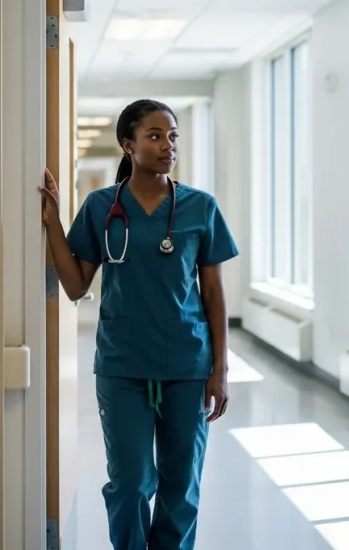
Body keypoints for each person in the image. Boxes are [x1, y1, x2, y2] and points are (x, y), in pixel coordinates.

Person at [38, 99, 238, 550]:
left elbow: (213, 295)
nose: (168, 145)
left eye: (173, 136)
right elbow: (74, 286)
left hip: (187, 364)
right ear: (128, 145)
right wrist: (52, 221)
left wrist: (220, 369)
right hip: (123, 365)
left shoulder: (199, 208)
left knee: (181, 487)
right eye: (155, 135)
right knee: (129, 485)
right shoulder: (101, 207)